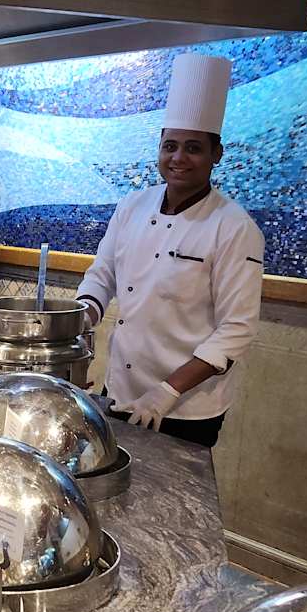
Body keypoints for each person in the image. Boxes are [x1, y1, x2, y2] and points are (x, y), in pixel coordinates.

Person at [76, 52, 263, 448]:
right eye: (170, 146)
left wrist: (167, 391)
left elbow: (237, 329)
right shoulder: (132, 206)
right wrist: (78, 327)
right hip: (121, 387)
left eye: (193, 148)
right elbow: (102, 276)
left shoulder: (234, 227)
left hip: (186, 407)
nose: (179, 158)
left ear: (216, 155)